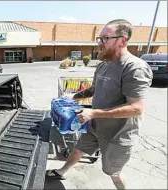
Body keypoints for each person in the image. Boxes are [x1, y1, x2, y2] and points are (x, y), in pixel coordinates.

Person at [46, 19, 153, 189]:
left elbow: (137, 108)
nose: (100, 43)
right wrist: (74, 96)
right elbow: (94, 89)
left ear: (122, 40)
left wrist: (94, 113)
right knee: (79, 148)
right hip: (96, 126)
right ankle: (62, 171)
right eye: (99, 38)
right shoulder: (104, 65)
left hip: (118, 135)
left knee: (113, 172)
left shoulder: (134, 68)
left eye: (105, 38)